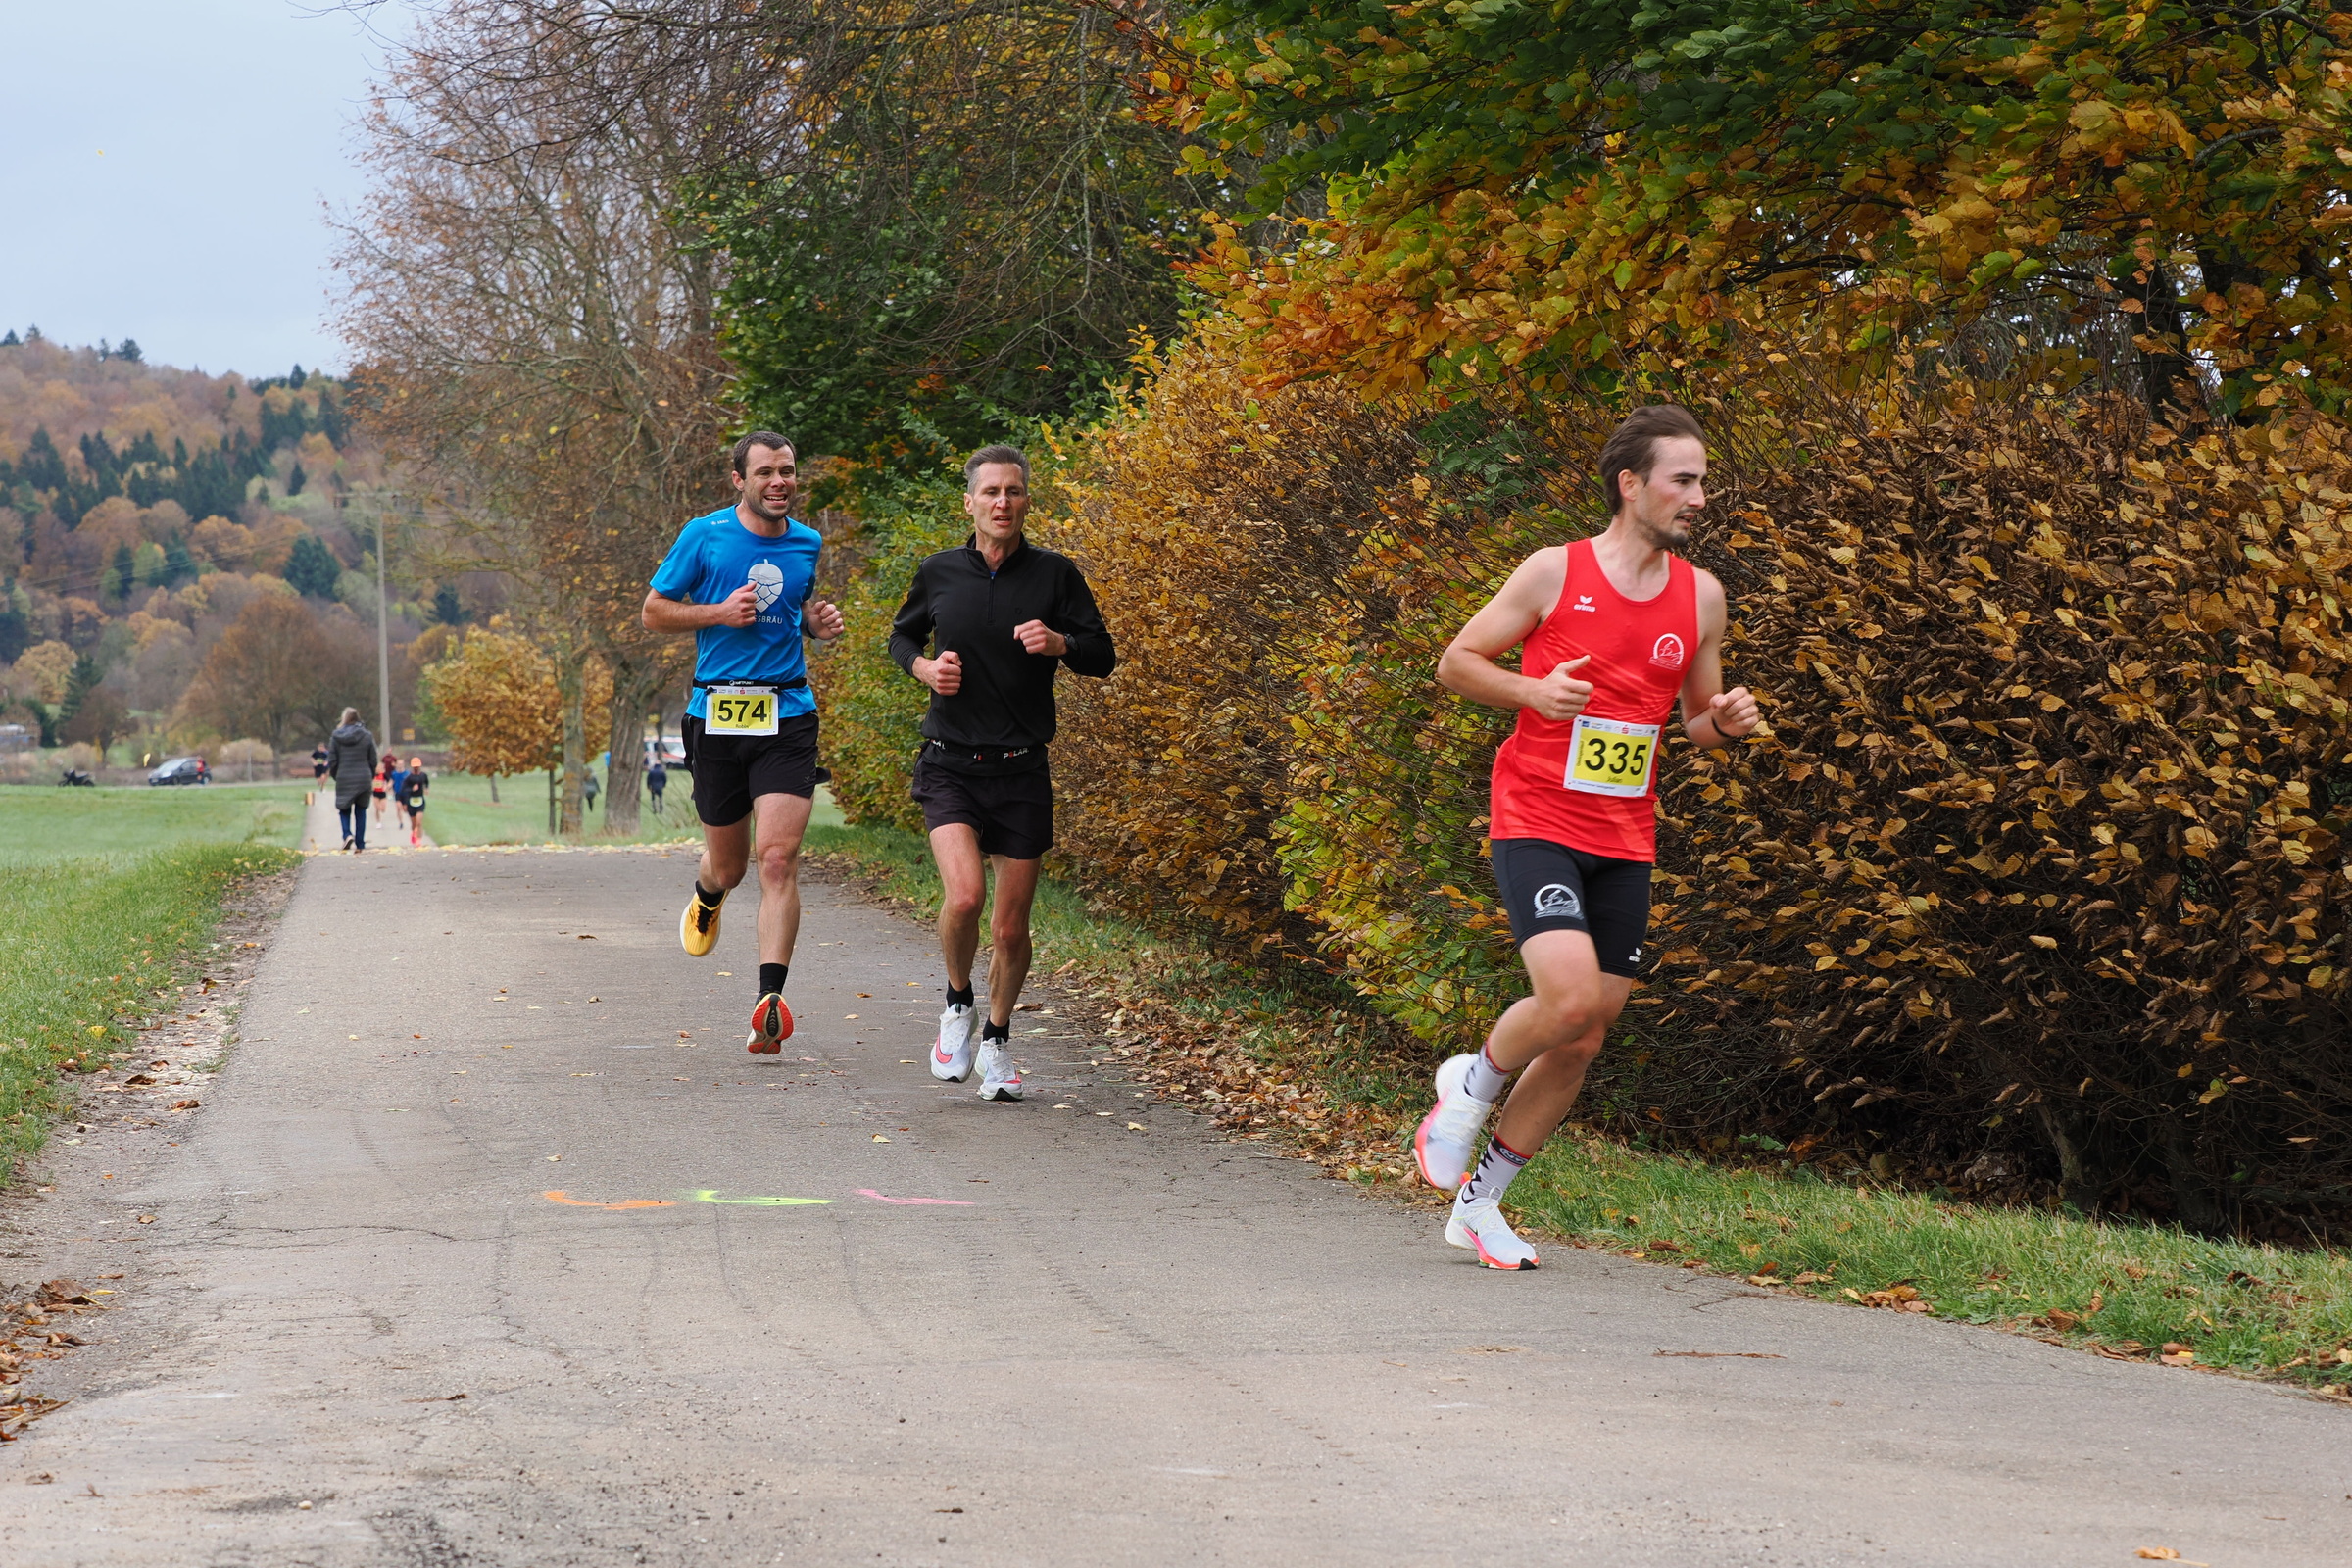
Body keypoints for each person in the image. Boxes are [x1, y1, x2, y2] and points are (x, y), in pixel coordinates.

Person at [1413, 405, 1760, 1269]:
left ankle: (1480, 1205)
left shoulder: (1701, 596)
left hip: (1625, 835)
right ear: (1630, 484)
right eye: (1684, 480)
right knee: (1566, 998)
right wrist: (1531, 693)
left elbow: (1697, 724)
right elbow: (1457, 662)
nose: (1699, 497)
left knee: (1585, 1035)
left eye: (1703, 481)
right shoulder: (1554, 571)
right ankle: (1469, 1088)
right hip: (1536, 816)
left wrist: (1726, 724)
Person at [890, 444, 1116, 1101]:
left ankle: (996, 1042)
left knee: (1011, 928)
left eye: (1013, 491)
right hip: (950, 764)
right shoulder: (938, 571)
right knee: (964, 897)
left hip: (1021, 771)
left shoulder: (1055, 575)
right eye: (990, 491)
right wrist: (924, 669)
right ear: (970, 502)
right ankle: (957, 1003)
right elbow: (901, 638)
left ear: (1025, 501)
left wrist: (1061, 643)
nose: (1002, 502)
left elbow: (1103, 655)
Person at [642, 431, 845, 1054]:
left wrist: (813, 624)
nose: (779, 482)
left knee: (777, 858)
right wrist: (717, 613)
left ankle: (769, 1000)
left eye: (787, 471)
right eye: (765, 473)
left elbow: (791, 613)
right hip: (718, 713)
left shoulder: (807, 542)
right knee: (730, 867)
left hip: (788, 713)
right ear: (739, 480)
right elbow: (654, 611)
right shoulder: (703, 536)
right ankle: (708, 894)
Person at [326, 708, 379, 853]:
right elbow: (373, 759)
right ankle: (360, 844)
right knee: (361, 810)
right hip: (363, 777)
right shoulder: (367, 735)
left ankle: (347, 835)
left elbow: (332, 760)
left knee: (344, 809)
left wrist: (336, 775)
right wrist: (370, 774)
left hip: (344, 776)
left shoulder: (336, 736)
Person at [402, 756, 429, 847]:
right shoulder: (408, 778)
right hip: (411, 802)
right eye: (415, 766)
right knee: (414, 823)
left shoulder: (423, 775)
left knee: (419, 822)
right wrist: (411, 789)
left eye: (417, 766)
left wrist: (426, 789)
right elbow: (403, 790)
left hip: (420, 801)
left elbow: (427, 783)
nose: (416, 768)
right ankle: (413, 832)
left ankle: (419, 841)